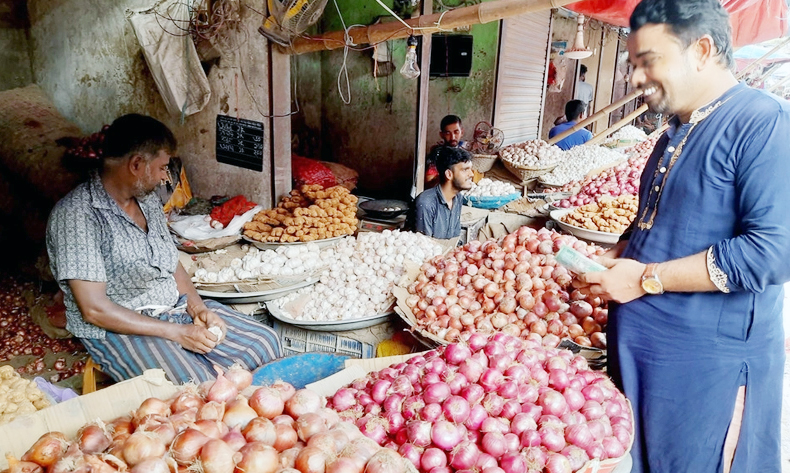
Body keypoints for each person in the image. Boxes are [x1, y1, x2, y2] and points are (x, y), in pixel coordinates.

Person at [574, 0, 790, 471]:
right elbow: (661, 219)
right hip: (650, 363)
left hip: (704, 375)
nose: (634, 79)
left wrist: (647, 278)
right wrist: (615, 254)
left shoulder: (764, 122)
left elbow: (771, 252)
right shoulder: (676, 130)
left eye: (648, 62)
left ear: (702, 50)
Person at [46, 114, 282, 384]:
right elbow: (94, 310)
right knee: (193, 385)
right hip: (119, 328)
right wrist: (176, 333)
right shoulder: (77, 215)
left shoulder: (146, 202)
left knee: (264, 343)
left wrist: (197, 308)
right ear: (136, 165)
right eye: (161, 168)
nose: (164, 177)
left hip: (175, 309)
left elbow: (172, 263)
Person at [414, 146, 474, 239]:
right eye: (465, 170)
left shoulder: (458, 198)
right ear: (449, 174)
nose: (471, 174)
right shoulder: (426, 203)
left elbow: (454, 237)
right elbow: (424, 245)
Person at [425, 115, 469, 187]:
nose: (453, 137)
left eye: (456, 132)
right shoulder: (437, 153)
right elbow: (429, 179)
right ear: (441, 135)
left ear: (462, 132)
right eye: (448, 133)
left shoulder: (466, 150)